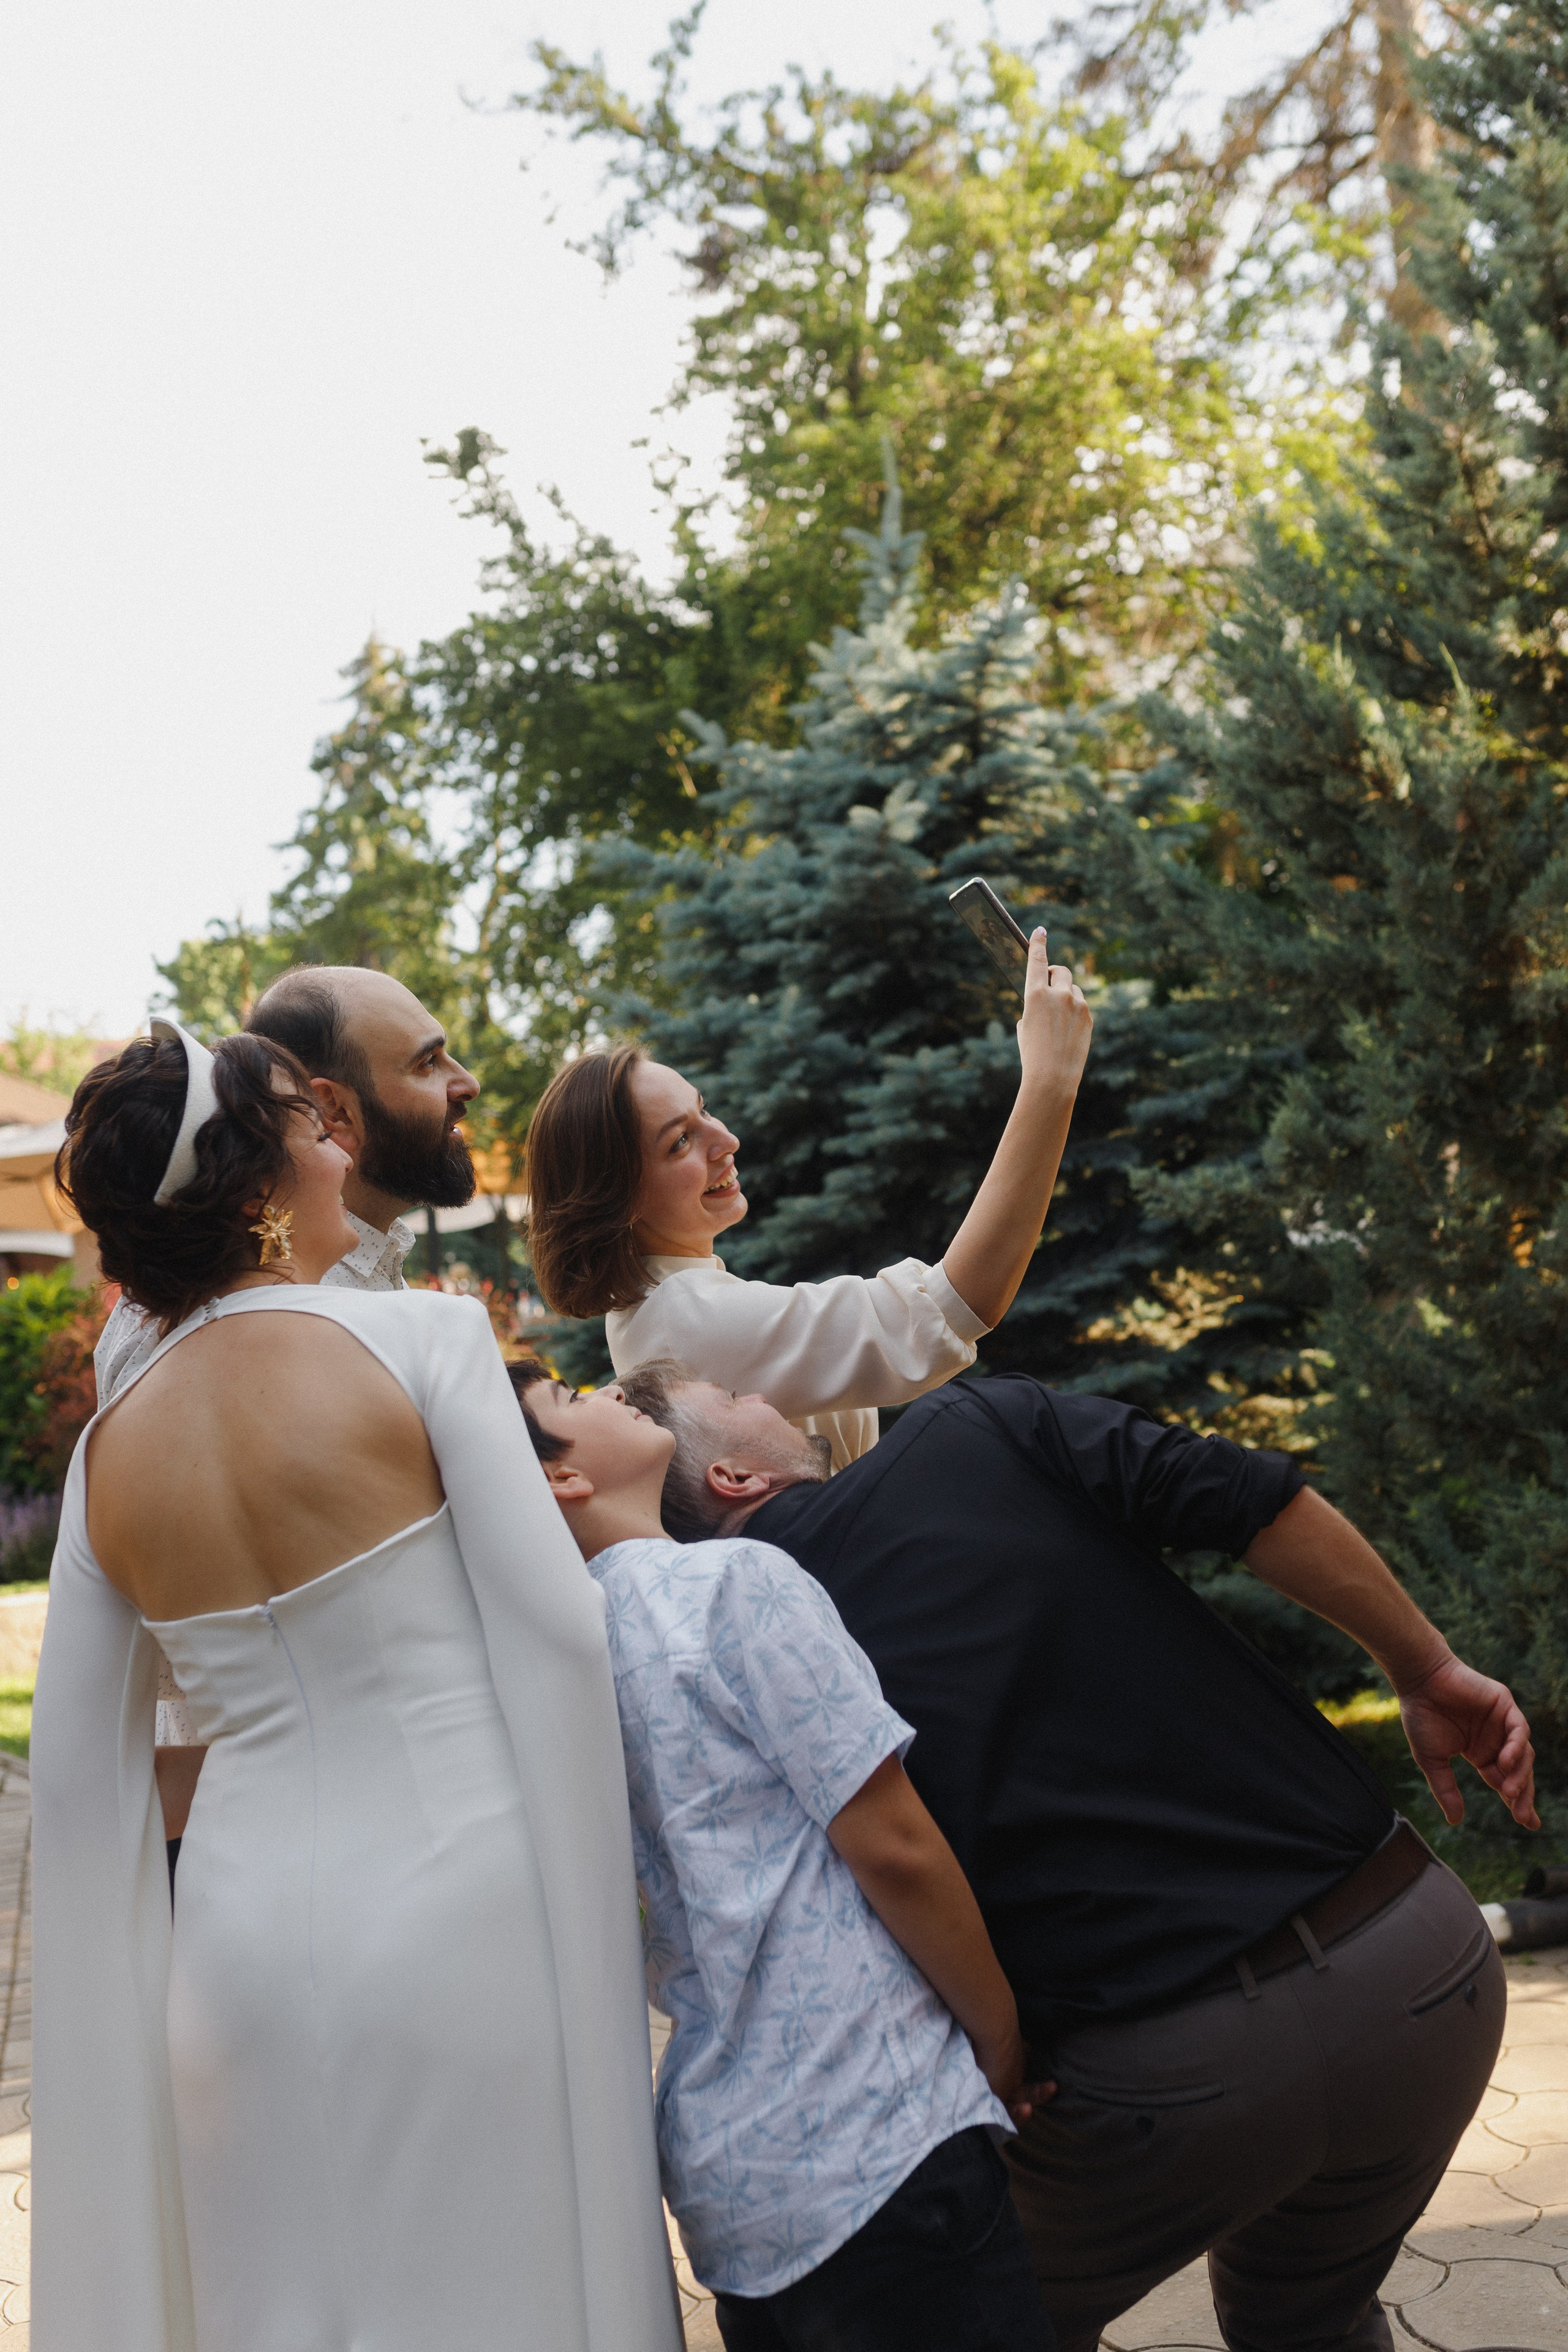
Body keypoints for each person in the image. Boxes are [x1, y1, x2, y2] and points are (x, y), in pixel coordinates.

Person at [609, 1358, 1536, 2352]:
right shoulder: (980, 1426)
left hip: (1163, 2086)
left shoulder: (702, 1647)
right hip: (1425, 1972)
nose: (768, 1393)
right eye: (741, 1399)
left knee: (976, 2308)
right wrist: (1425, 1666)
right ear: (734, 1478)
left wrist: (996, 2052)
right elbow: (1250, 1497)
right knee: (1308, 2317)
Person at [31, 1022, 679, 2352]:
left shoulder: (105, 1458)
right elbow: (557, 1637)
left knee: (286, 2309)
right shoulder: (423, 1344)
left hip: (235, 1953)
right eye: (308, 1122)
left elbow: (78, 1783)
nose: (341, 1142)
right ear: (258, 1173)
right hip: (466, 1905)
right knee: (496, 2295)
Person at [511, 1361, 1055, 2352]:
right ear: (559, 1481)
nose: (603, 1390)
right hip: (875, 2127)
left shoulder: (543, 1672)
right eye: (567, 1398)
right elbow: (894, 1845)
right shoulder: (729, 1585)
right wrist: (1000, 2038)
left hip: (732, 2187)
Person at [92, 967, 481, 1850]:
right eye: (428, 1063)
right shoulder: (216, 1326)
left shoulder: (370, 1279)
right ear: (332, 1113)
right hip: (323, 1822)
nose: (466, 1082)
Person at [525, 929, 1093, 1469]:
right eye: (680, 1142)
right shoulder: (685, 1321)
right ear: (616, 1201)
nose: (727, 1140)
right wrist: (1049, 1081)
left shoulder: (670, 1307)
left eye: (704, 1109)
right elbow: (952, 1309)